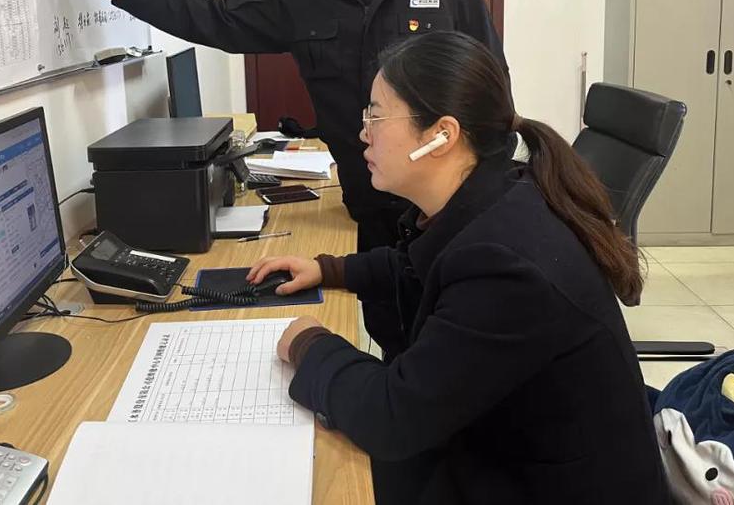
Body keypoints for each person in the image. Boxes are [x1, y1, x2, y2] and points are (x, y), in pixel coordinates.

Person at [246, 31, 669, 505]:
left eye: (376, 116)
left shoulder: (505, 266)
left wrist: (309, 342)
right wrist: (330, 269)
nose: (363, 132)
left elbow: (392, 417)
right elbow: (417, 266)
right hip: (505, 450)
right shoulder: (495, 195)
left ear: (441, 135)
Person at [81, 0, 504, 256]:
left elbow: (492, 85)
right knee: (381, 297)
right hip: (366, 203)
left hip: (451, 203)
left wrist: (496, 184)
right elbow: (216, 18)